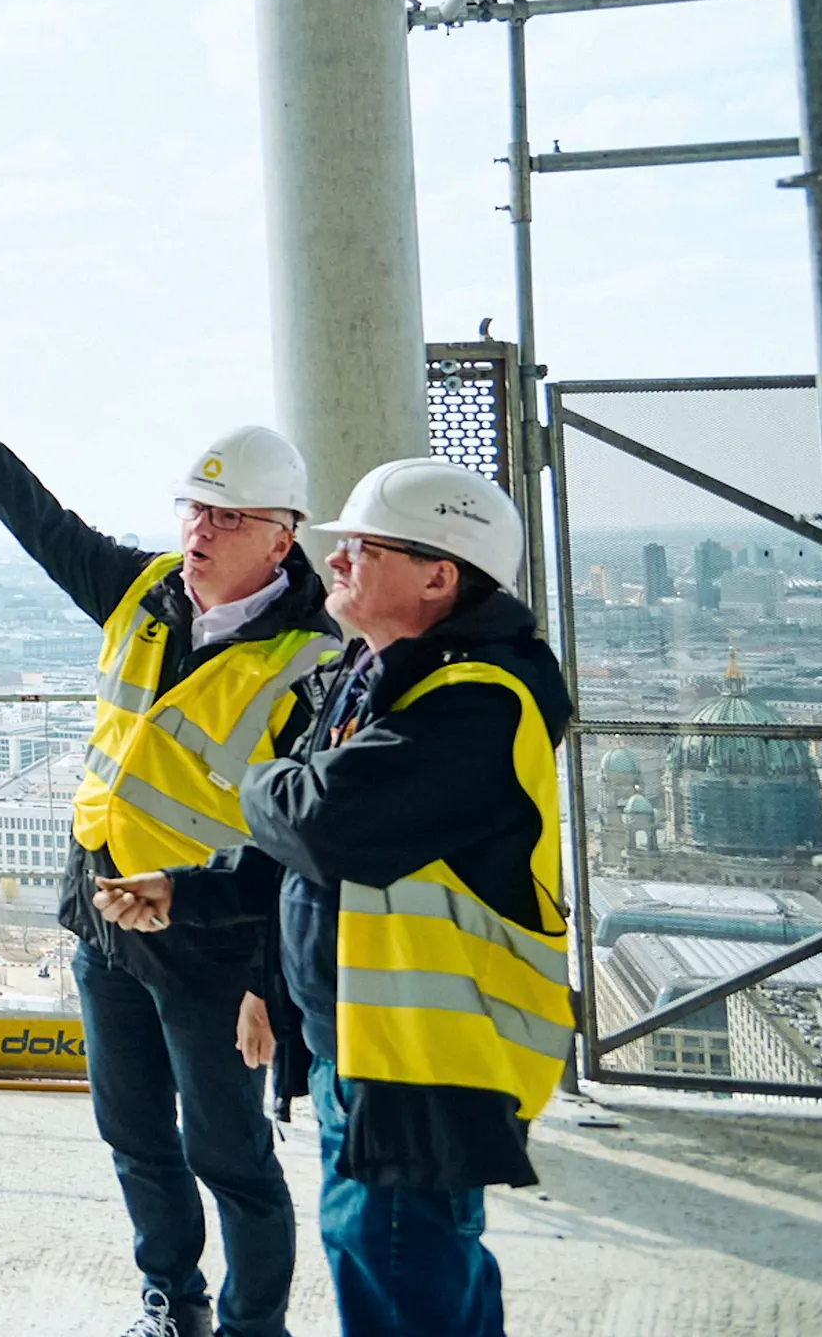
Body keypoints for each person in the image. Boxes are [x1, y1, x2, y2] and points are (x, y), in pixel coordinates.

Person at [0, 355, 342, 1337]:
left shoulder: (313, 661)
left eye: (226, 517)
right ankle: (172, 1302)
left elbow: (305, 846)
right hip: (106, 919)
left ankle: (252, 1327)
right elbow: (43, 526)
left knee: (229, 1156)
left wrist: (266, 985)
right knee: (134, 1134)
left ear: (281, 537)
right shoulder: (143, 591)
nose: (199, 531)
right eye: (193, 509)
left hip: (214, 948)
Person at [95, 459, 574, 1337]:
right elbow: (316, 855)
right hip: (366, 1047)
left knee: (402, 1284)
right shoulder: (382, 673)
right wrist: (189, 890)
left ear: (439, 577)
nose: (339, 560)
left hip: (428, 1061)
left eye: (365, 547)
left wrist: (253, 779)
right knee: (409, 1274)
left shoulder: (478, 703)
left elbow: (318, 825)